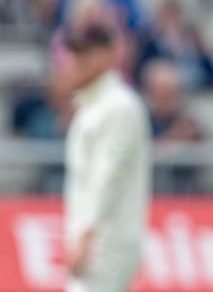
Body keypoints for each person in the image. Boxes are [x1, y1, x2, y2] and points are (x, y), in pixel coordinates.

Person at [62, 23, 151, 291]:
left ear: (112, 54)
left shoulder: (119, 106)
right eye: (76, 53)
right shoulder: (93, 104)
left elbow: (107, 177)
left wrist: (86, 238)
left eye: (88, 52)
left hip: (106, 243)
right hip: (97, 239)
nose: (80, 60)